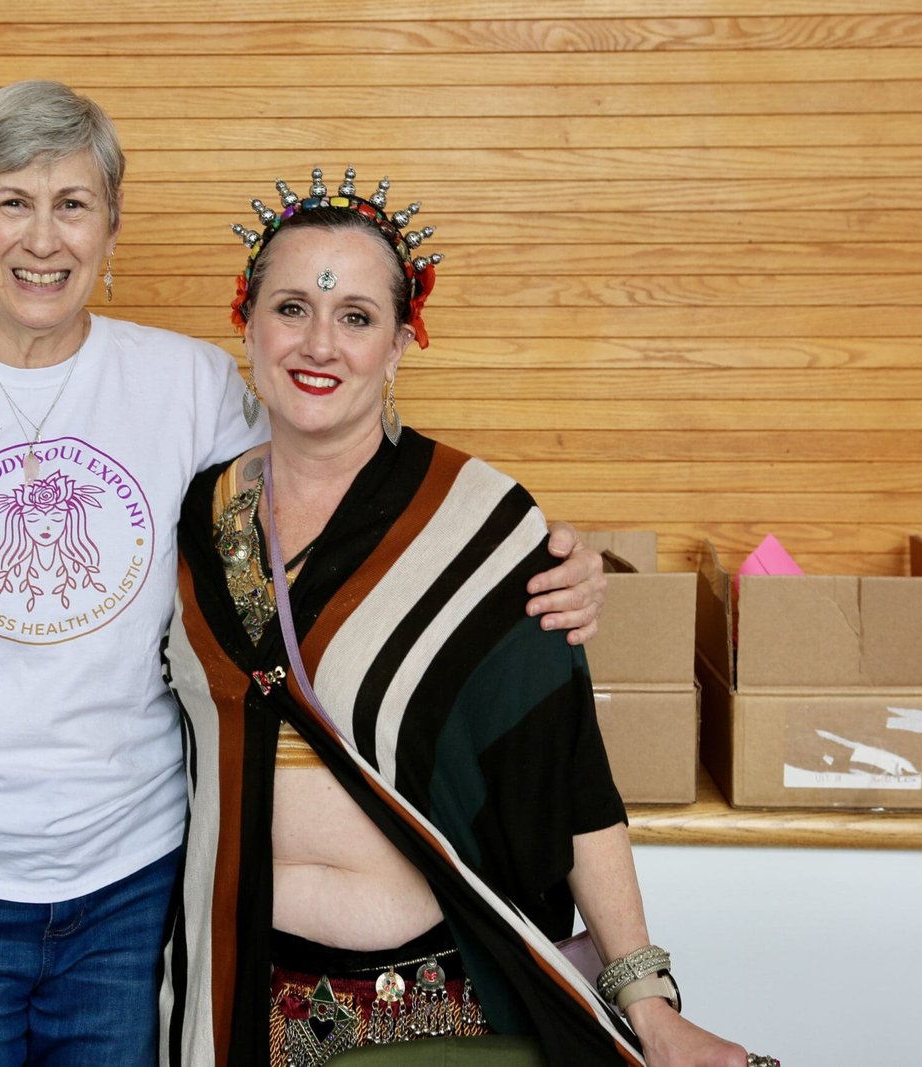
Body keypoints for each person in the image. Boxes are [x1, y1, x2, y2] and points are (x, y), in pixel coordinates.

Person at [0, 85, 608, 1067]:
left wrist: (540, 557)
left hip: (131, 894)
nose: (43, 239)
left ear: (111, 224)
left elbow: (345, 478)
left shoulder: (193, 388)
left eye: (72, 204)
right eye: (12, 202)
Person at [160, 169, 776, 1067]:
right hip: (235, 996)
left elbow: (567, 772)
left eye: (357, 316)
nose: (319, 343)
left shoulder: (478, 524)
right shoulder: (196, 520)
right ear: (245, 321)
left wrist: (648, 1000)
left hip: (430, 1009)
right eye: (291, 308)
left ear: (400, 343)